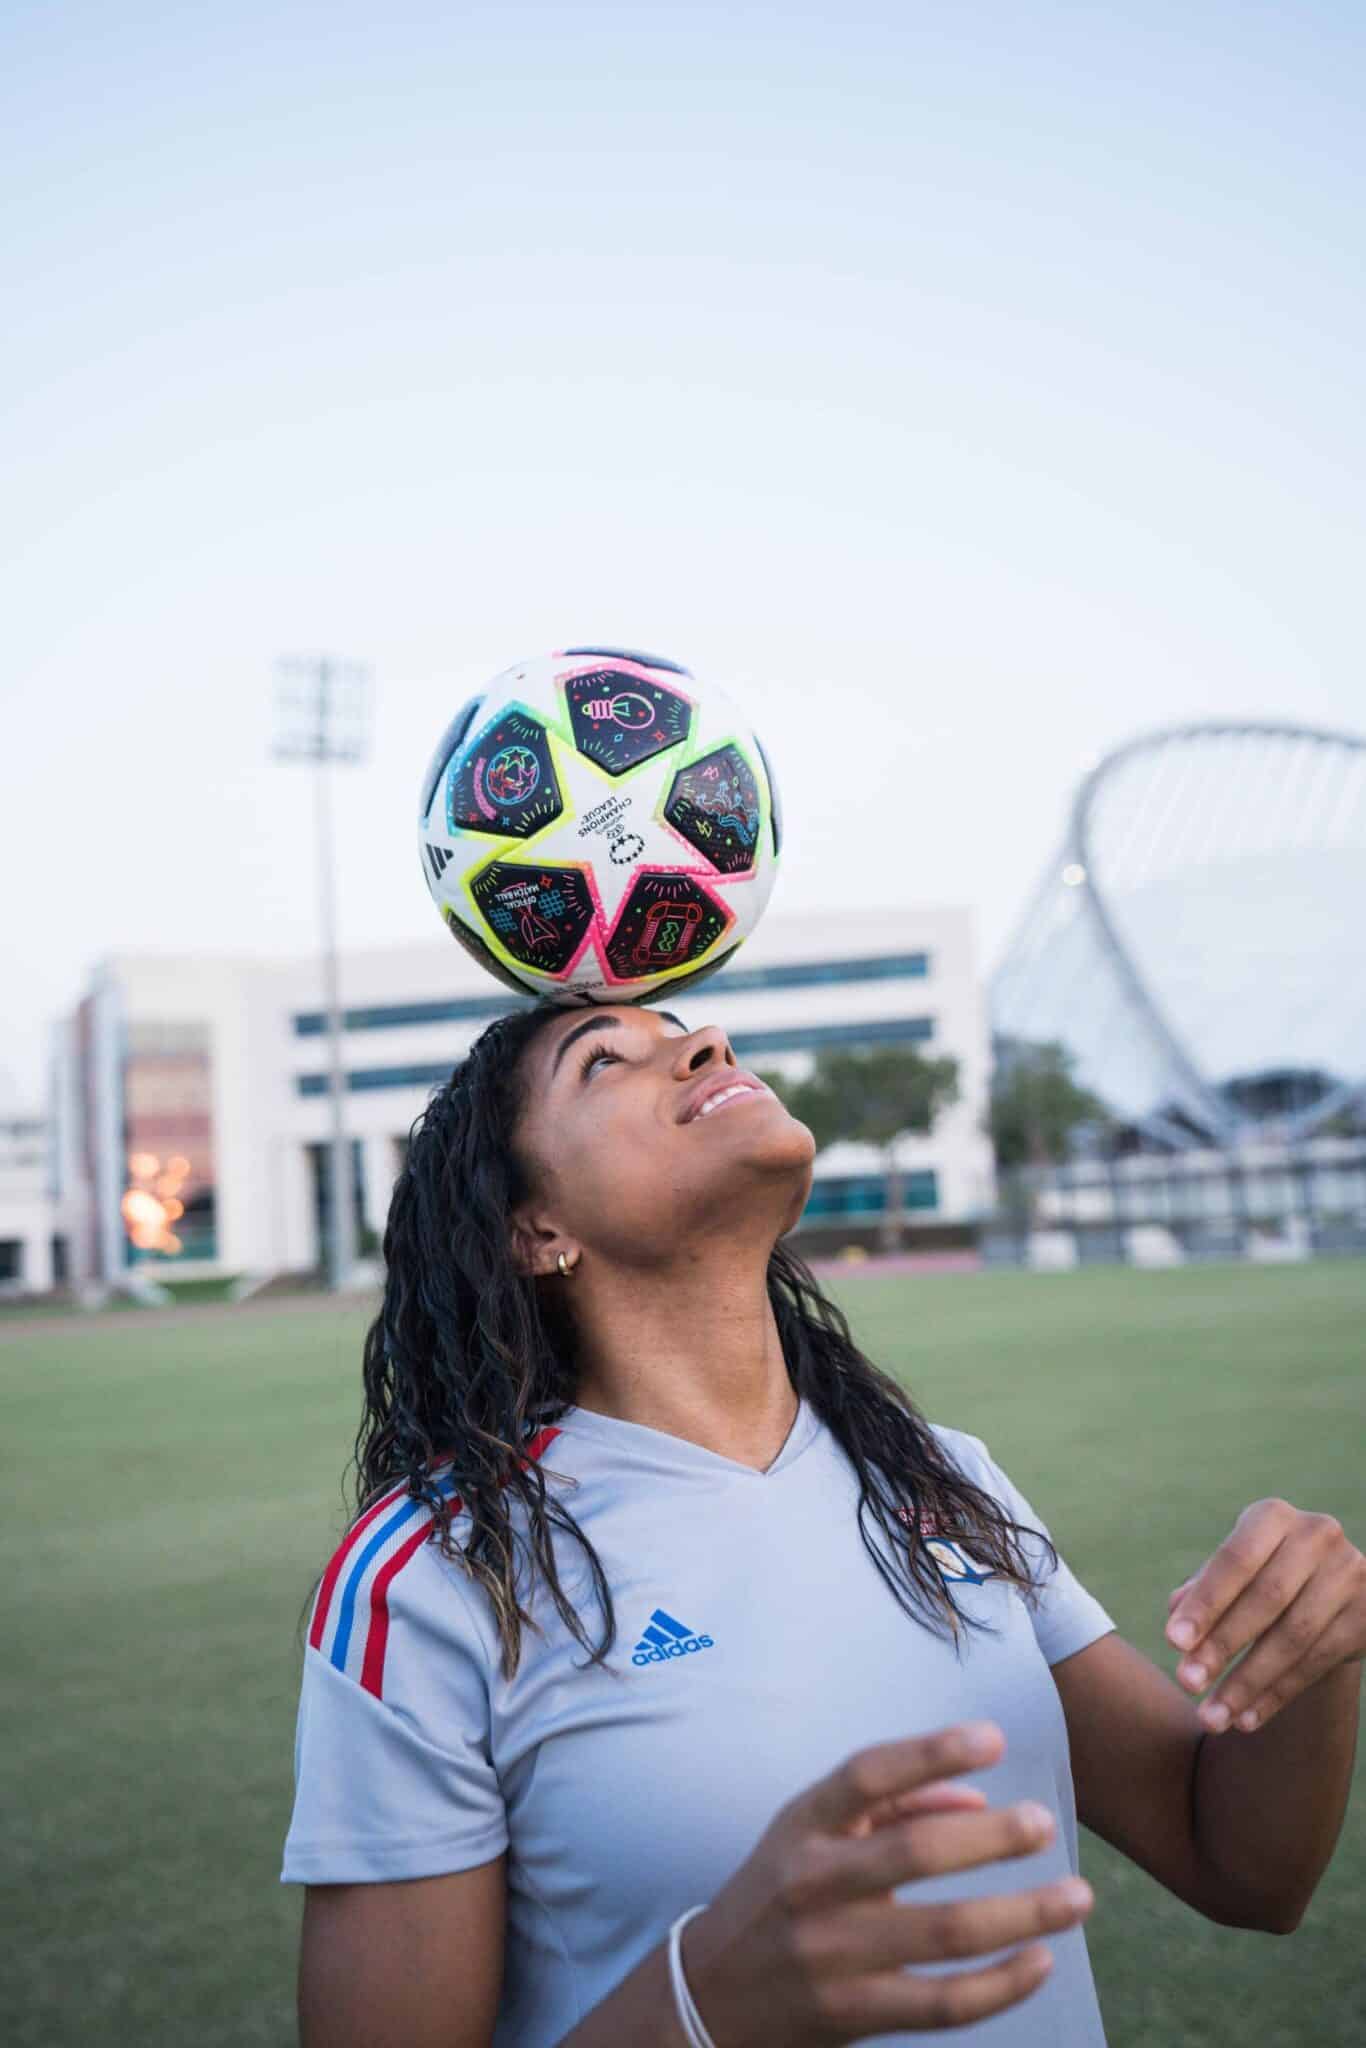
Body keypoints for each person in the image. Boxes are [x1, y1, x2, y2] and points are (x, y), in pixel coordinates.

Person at [281, 1002, 1363, 2046]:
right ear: (535, 1227)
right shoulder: (439, 1574)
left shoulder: (939, 1473)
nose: (703, 1041)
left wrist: (1307, 1661)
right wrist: (702, 2007)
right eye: (604, 1061)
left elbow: (1242, 1868)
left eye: (688, 1031)